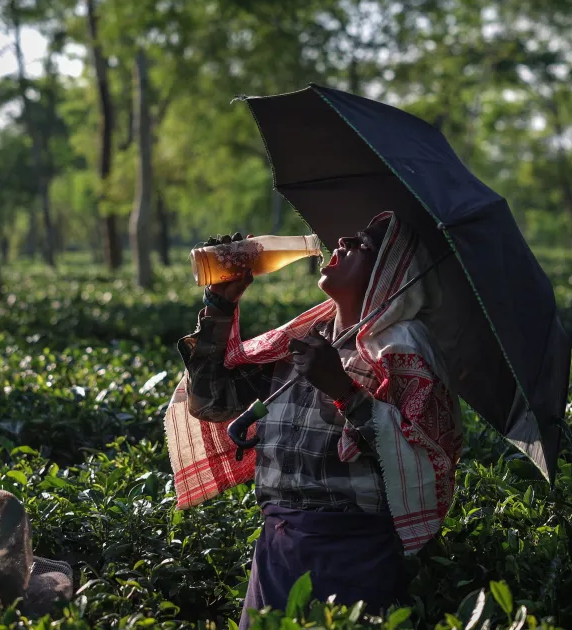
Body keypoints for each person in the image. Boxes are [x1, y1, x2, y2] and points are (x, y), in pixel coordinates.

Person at [167, 212, 462, 629]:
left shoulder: (406, 355)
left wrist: (344, 392)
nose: (343, 239)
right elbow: (213, 401)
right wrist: (221, 303)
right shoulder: (304, 341)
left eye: (364, 243)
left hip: (356, 561)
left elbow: (421, 466)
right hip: (277, 555)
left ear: (389, 273)